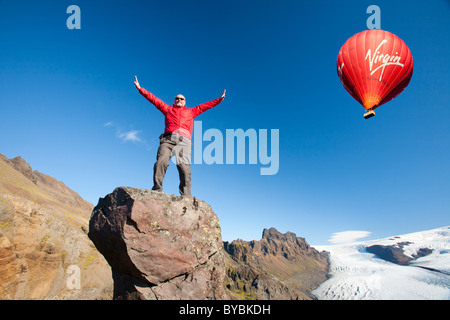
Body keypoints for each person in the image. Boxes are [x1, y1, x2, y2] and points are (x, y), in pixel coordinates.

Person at [134, 75, 225, 197]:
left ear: (185, 102)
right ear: (174, 100)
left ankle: (186, 195)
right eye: (177, 98)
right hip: (168, 140)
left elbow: (204, 106)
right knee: (161, 161)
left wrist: (218, 100)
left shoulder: (191, 112)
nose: (179, 100)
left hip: (184, 142)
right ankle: (156, 189)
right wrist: (140, 89)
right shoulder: (167, 109)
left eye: (182, 99)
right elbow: (154, 99)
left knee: (184, 168)